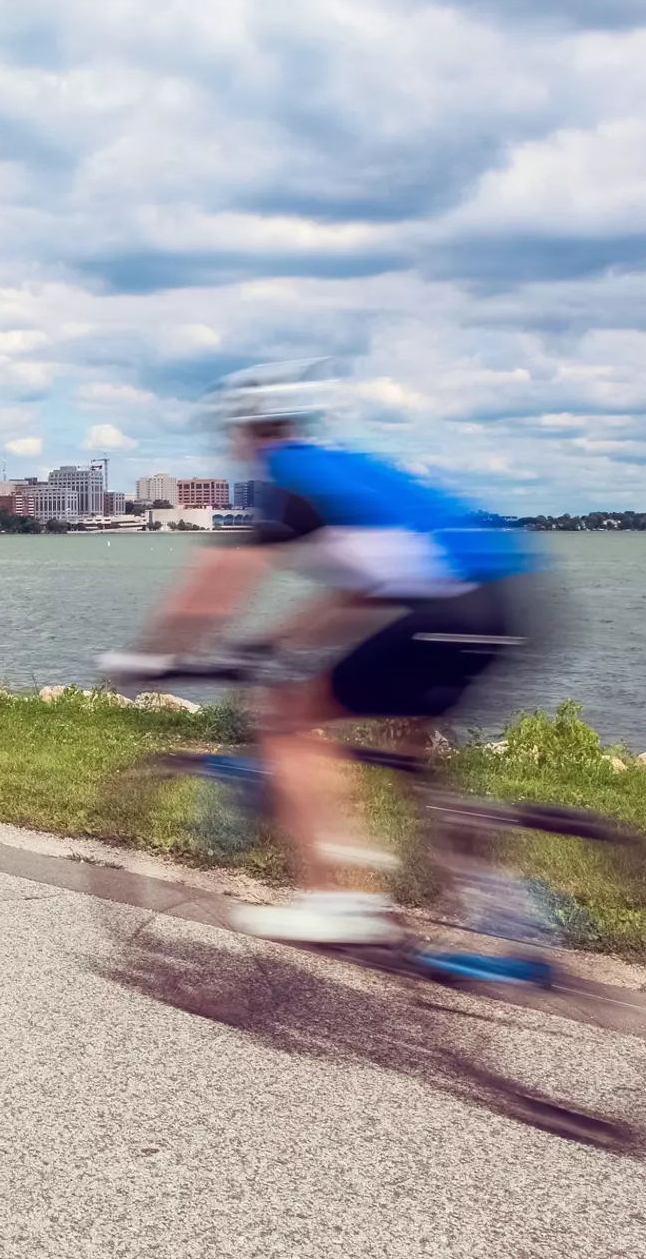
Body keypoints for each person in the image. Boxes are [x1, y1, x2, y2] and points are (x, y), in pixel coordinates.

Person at [104, 359, 541, 944]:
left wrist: (148, 657)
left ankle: (340, 901)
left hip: (450, 614)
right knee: (412, 750)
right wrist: (277, 643)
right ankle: (494, 897)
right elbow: (359, 591)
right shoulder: (344, 473)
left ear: (247, 432)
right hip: (507, 607)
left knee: (288, 718)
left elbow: (209, 595)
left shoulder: (290, 483)